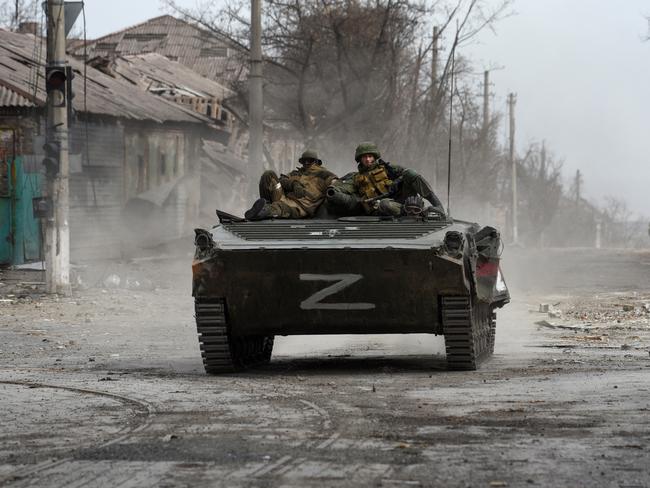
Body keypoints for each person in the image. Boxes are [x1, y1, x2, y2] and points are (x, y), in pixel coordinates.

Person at [326, 142, 445, 217]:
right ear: (360, 159)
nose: (367, 160)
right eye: (364, 157)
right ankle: (413, 210)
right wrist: (333, 188)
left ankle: (438, 206)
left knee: (411, 173)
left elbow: (408, 174)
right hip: (381, 208)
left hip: (400, 199)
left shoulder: (388, 168)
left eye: (370, 156)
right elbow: (342, 188)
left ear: (374, 157)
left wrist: (398, 180)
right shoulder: (355, 177)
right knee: (384, 204)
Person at [244, 149, 338, 220]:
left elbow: (335, 182)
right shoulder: (296, 173)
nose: (306, 163)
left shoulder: (323, 174)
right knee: (269, 175)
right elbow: (282, 180)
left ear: (316, 162)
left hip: (299, 207)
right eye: (304, 160)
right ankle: (265, 204)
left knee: (279, 208)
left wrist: (335, 190)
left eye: (310, 160)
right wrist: (293, 183)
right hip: (282, 197)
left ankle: (263, 211)